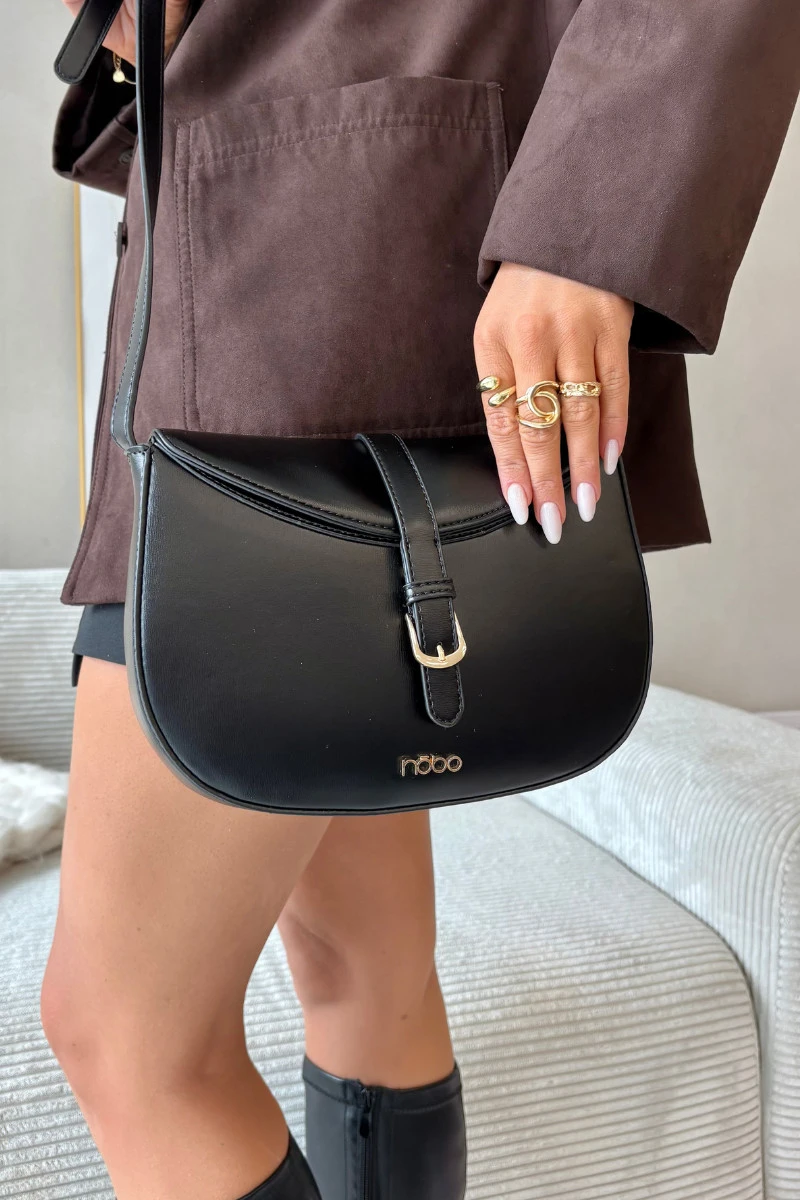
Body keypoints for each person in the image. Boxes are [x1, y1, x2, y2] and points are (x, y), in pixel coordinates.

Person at [45, 0, 800, 1197]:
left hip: (360, 241)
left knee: (124, 1036)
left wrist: (585, 231)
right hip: (272, 205)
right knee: (359, 965)